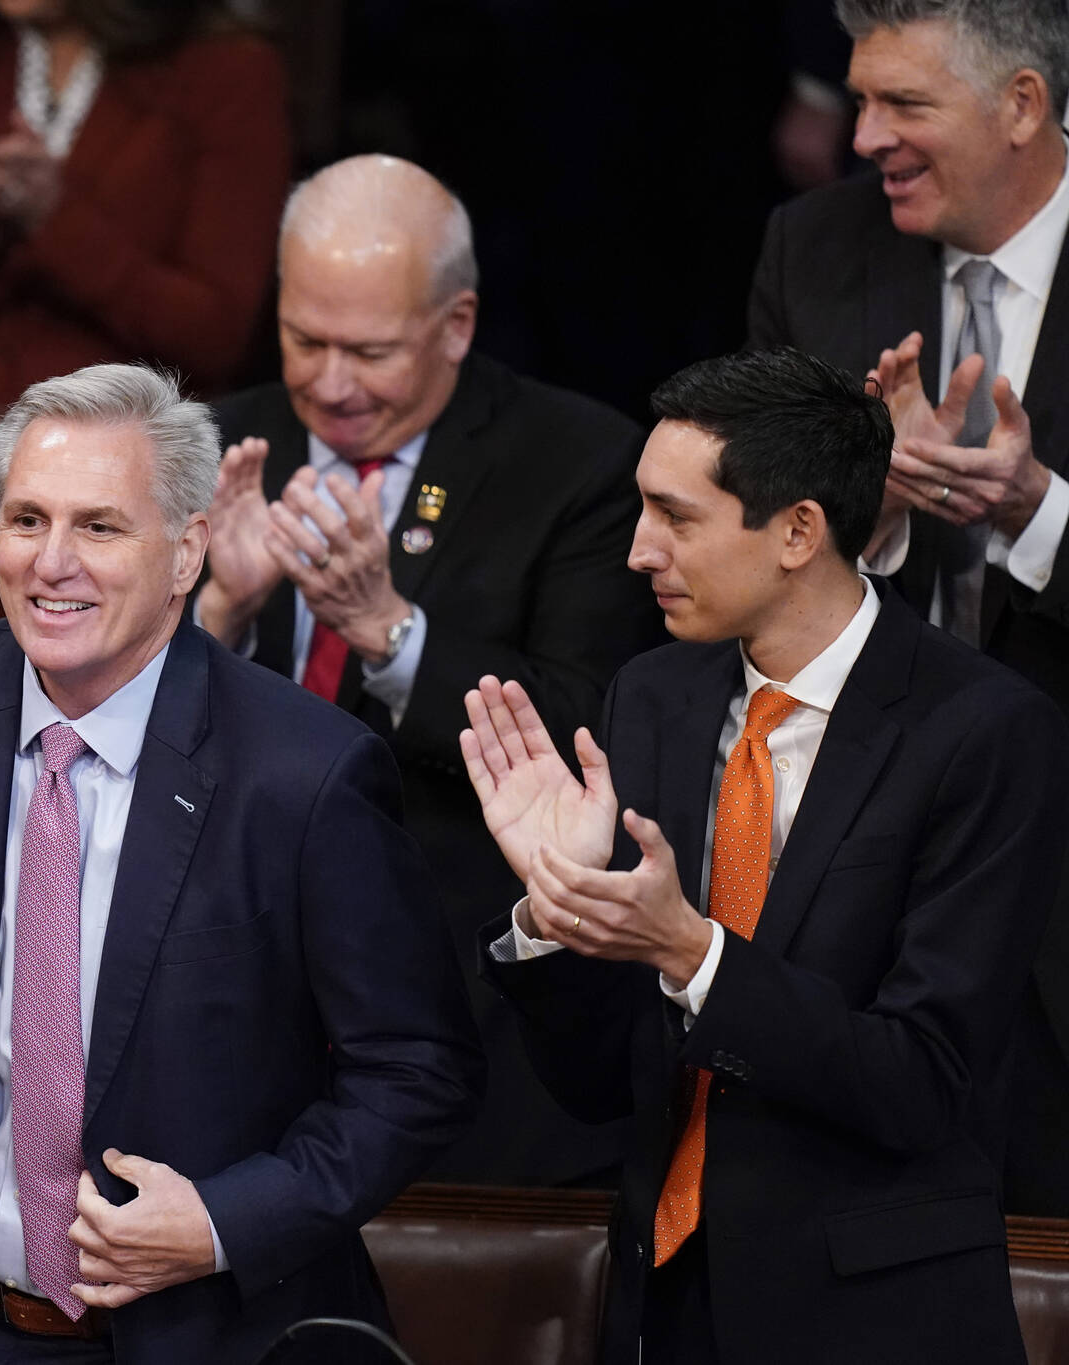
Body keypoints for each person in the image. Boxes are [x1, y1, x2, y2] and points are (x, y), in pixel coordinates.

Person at [0, 363, 482, 1363]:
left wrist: (224, 1220)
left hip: (203, 1334)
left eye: (98, 527)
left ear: (184, 552)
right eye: (25, 519)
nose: (50, 563)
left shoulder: (304, 774)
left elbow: (414, 1069)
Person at [466, 347, 1068, 1365]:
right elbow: (597, 1085)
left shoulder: (980, 730)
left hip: (874, 1322)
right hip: (664, 1310)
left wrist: (693, 954)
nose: (637, 552)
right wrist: (554, 912)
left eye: (676, 518)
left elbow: (919, 1079)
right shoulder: (652, 696)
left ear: (797, 530)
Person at [196, 154, 660, 1187]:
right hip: (229, 992)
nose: (327, 382)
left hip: (456, 989)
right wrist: (218, 614)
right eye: (302, 339)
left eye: (368, 351)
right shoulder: (214, 444)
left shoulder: (576, 464)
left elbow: (585, 726)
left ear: (454, 326)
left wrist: (384, 629)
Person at [744, 0, 1069, 1214]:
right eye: (858, 97)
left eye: (903, 106)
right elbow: (737, 554)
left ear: (1021, 107)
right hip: (856, 879)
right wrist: (862, 503)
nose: (861, 134)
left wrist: (1036, 513)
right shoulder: (811, 252)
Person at [0, 0, 291, 634]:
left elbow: (215, 331)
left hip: (114, 540)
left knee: (90, 737)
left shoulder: (228, 66)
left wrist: (58, 225)